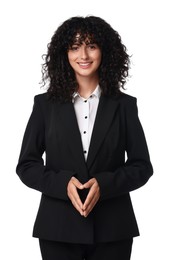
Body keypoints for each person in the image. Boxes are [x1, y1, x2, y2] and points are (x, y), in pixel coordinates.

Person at [16, 16, 153, 260]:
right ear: (64, 54)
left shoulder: (124, 106)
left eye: (91, 46)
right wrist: (61, 183)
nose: (84, 55)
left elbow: (142, 166)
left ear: (104, 51)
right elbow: (27, 165)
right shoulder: (45, 105)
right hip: (57, 229)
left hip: (113, 230)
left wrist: (105, 184)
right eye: (75, 47)